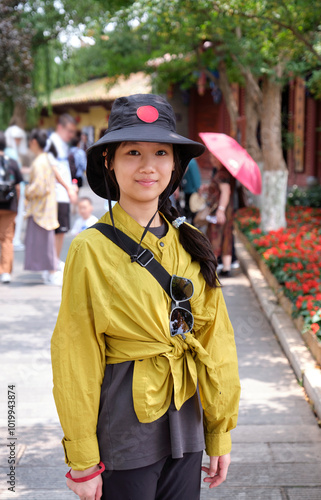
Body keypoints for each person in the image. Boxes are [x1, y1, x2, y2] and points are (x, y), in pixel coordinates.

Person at [51, 94, 240, 500]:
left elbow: (216, 340)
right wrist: (83, 459)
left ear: (175, 166)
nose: (147, 165)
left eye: (160, 152)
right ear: (109, 163)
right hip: (125, 428)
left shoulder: (192, 244)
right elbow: (76, 352)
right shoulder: (90, 249)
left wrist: (218, 431)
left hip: (186, 422)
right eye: (132, 152)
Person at [24, 129, 63, 286]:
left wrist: (27, 190)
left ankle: (52, 272)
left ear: (34, 142)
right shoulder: (44, 159)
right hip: (46, 207)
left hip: (41, 209)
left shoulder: (39, 161)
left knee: (45, 243)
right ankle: (49, 272)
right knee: (45, 242)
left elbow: (38, 187)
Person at [46, 114, 77, 266]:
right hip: (56, 194)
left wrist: (72, 185)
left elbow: (66, 169)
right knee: (54, 232)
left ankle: (55, 262)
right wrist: (68, 188)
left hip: (64, 194)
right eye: (69, 131)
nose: (71, 135)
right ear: (60, 127)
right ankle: (51, 266)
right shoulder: (51, 142)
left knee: (61, 232)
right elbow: (54, 170)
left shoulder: (63, 144)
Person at [205, 155, 235, 277]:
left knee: (215, 236)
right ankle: (226, 268)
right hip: (226, 209)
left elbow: (225, 191)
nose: (211, 159)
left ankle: (213, 268)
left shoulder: (222, 174)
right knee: (226, 236)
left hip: (220, 210)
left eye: (214, 157)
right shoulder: (222, 172)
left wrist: (220, 210)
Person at [0, 132, 23, 283]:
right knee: (7, 238)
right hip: (9, 206)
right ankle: (5, 271)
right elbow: (18, 186)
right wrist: (17, 203)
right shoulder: (12, 162)